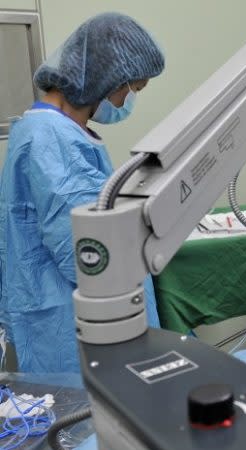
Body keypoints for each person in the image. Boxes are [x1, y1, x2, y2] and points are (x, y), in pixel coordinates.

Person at [0, 12, 165, 373]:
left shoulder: (51, 131)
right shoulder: (51, 139)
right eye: (131, 89)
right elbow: (89, 255)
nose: (126, 102)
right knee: (89, 422)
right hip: (73, 329)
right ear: (106, 79)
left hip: (62, 318)